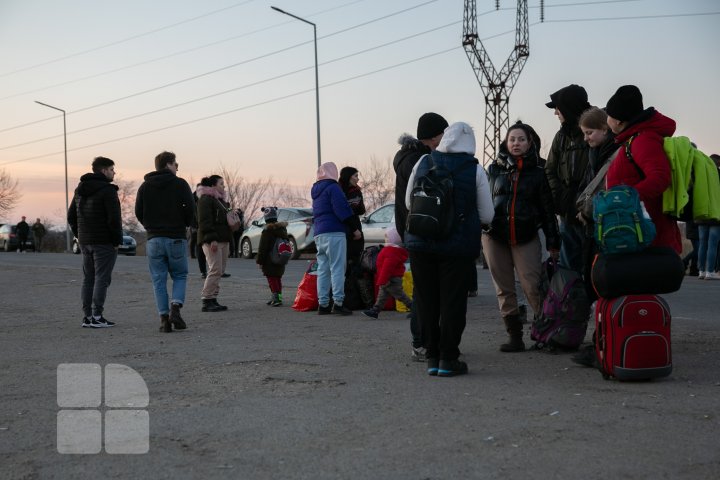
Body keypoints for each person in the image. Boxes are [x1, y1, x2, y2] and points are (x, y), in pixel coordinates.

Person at [572, 85, 682, 367]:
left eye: (609, 116)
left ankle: (616, 347)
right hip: (629, 229)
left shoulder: (643, 140)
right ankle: (607, 345)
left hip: (637, 231)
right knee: (618, 288)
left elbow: (659, 178)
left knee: (622, 287)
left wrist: (624, 201)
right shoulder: (633, 138)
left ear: (618, 120)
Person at [405, 122, 494, 377]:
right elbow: (487, 214)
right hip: (456, 247)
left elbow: (408, 201)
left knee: (426, 300)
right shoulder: (474, 169)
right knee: (452, 303)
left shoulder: (423, 161)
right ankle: (448, 359)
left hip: (421, 242)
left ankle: (431, 356)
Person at [482, 121, 560, 352]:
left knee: (532, 285)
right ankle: (514, 337)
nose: (516, 143)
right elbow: (483, 201)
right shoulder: (493, 169)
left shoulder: (539, 171)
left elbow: (548, 210)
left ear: (530, 143)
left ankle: (544, 333)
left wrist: (553, 240)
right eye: (512, 139)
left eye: (521, 139)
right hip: (494, 236)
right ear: (506, 142)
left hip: (526, 236)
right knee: (504, 288)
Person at [393, 112, 449, 361]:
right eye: (443, 135)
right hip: (421, 229)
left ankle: (424, 341)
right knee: (426, 292)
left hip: (411, 229)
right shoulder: (421, 160)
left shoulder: (407, 157)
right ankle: (421, 342)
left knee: (424, 290)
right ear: (435, 136)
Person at [135, 151, 195, 333]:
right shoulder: (180, 184)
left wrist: (149, 225)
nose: (177, 167)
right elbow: (191, 208)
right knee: (180, 275)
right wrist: (184, 223)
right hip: (176, 237)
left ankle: (164, 319)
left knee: (158, 280)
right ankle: (175, 308)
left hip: (154, 239)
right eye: (176, 164)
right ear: (168, 164)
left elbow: (139, 211)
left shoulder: (145, 186)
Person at [67, 156, 122, 328]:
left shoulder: (80, 190)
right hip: (104, 242)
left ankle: (87, 317)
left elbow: (71, 217)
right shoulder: (108, 190)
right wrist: (116, 241)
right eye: (112, 169)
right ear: (104, 170)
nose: (114, 172)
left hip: (85, 241)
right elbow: (114, 220)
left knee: (88, 278)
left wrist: (80, 235)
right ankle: (97, 316)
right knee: (102, 279)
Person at [544, 84, 591, 273]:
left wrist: (584, 199)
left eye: (558, 108)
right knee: (568, 267)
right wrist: (561, 198)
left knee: (591, 265)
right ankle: (572, 302)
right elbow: (549, 170)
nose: (556, 113)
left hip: (590, 212)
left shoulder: (595, 130)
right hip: (566, 214)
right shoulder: (561, 136)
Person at [575, 106, 620, 299]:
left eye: (589, 132)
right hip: (593, 224)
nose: (586, 138)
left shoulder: (613, 154)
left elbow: (605, 188)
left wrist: (586, 210)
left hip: (607, 224)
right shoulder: (596, 153)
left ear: (604, 128)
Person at [311, 162, 362, 316]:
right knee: (338, 268)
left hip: (319, 233)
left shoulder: (316, 190)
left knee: (323, 269)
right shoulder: (334, 188)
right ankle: (338, 303)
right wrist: (354, 229)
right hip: (334, 231)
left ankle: (323, 304)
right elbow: (343, 210)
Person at [196, 175, 232, 312]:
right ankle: (206, 300)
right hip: (212, 240)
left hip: (223, 239)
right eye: (221, 183)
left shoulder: (220, 200)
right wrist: (212, 239)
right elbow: (204, 221)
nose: (224, 186)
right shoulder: (205, 199)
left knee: (220, 270)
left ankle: (213, 299)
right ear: (213, 185)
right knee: (215, 269)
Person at [362, 227, 412, 319]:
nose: (385, 239)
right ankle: (375, 310)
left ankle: (413, 308)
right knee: (382, 296)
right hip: (389, 278)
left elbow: (387, 268)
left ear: (391, 239)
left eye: (387, 237)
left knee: (400, 295)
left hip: (390, 278)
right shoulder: (394, 250)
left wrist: (382, 279)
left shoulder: (391, 251)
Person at [256, 206, 289, 306]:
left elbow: (262, 248)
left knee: (271, 279)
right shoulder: (282, 230)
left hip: (269, 260)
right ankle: (277, 297)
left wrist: (259, 261)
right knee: (277, 279)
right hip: (280, 259)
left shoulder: (267, 231)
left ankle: (276, 299)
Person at [338, 166, 366, 268]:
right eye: (356, 176)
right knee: (343, 262)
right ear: (348, 177)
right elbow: (342, 212)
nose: (358, 179)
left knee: (357, 260)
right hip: (343, 229)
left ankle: (354, 283)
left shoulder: (356, 190)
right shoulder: (338, 190)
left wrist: (356, 205)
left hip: (356, 228)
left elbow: (362, 210)